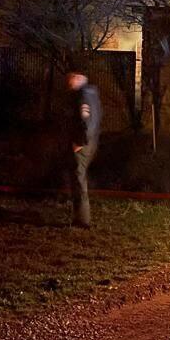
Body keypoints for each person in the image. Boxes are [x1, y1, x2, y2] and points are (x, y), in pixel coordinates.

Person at [65, 69, 102, 227]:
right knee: (80, 178)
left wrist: (80, 142)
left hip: (83, 144)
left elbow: (86, 122)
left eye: (71, 78)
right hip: (91, 143)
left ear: (79, 77)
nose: (68, 83)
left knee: (79, 179)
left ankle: (82, 220)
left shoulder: (83, 96)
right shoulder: (93, 94)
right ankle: (81, 217)